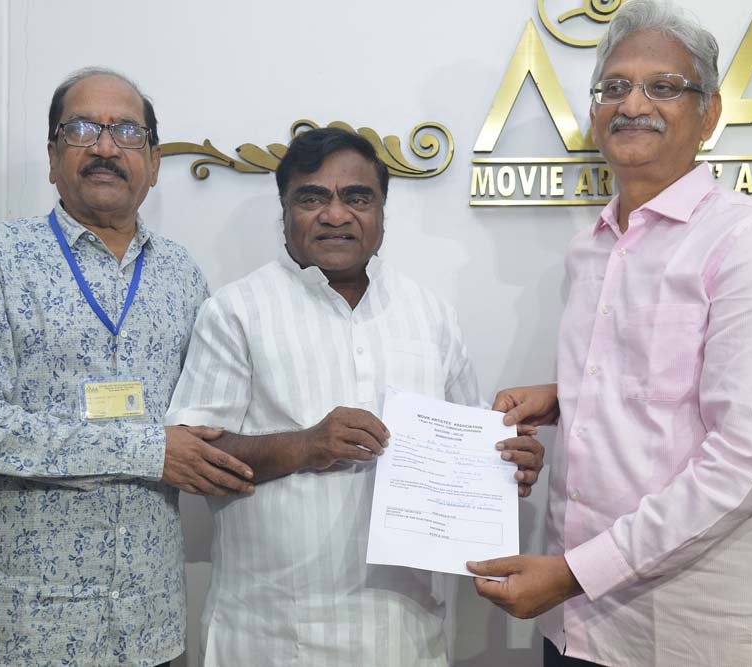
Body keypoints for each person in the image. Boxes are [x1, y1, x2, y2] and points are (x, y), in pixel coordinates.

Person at [467, 2, 752, 666]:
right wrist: (566, 397)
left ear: (709, 114)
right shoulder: (590, 249)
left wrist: (575, 571)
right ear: (595, 113)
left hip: (694, 630)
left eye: (663, 86)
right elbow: (656, 383)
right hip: (575, 626)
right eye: (614, 87)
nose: (632, 104)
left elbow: (749, 457)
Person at [165, 127, 543, 665]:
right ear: (284, 211)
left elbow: (467, 455)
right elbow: (193, 458)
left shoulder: (429, 314)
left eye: (357, 198)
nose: (335, 214)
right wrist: (306, 446)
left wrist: (507, 464)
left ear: (382, 212)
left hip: (405, 635)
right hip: (270, 636)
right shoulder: (235, 312)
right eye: (312, 198)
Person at [0, 67, 254, 667]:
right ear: (53, 157)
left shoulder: (183, 276)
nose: (105, 147)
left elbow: (211, 425)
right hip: (22, 629)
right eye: (82, 129)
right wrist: (144, 450)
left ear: (154, 163)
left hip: (149, 628)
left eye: (127, 132)